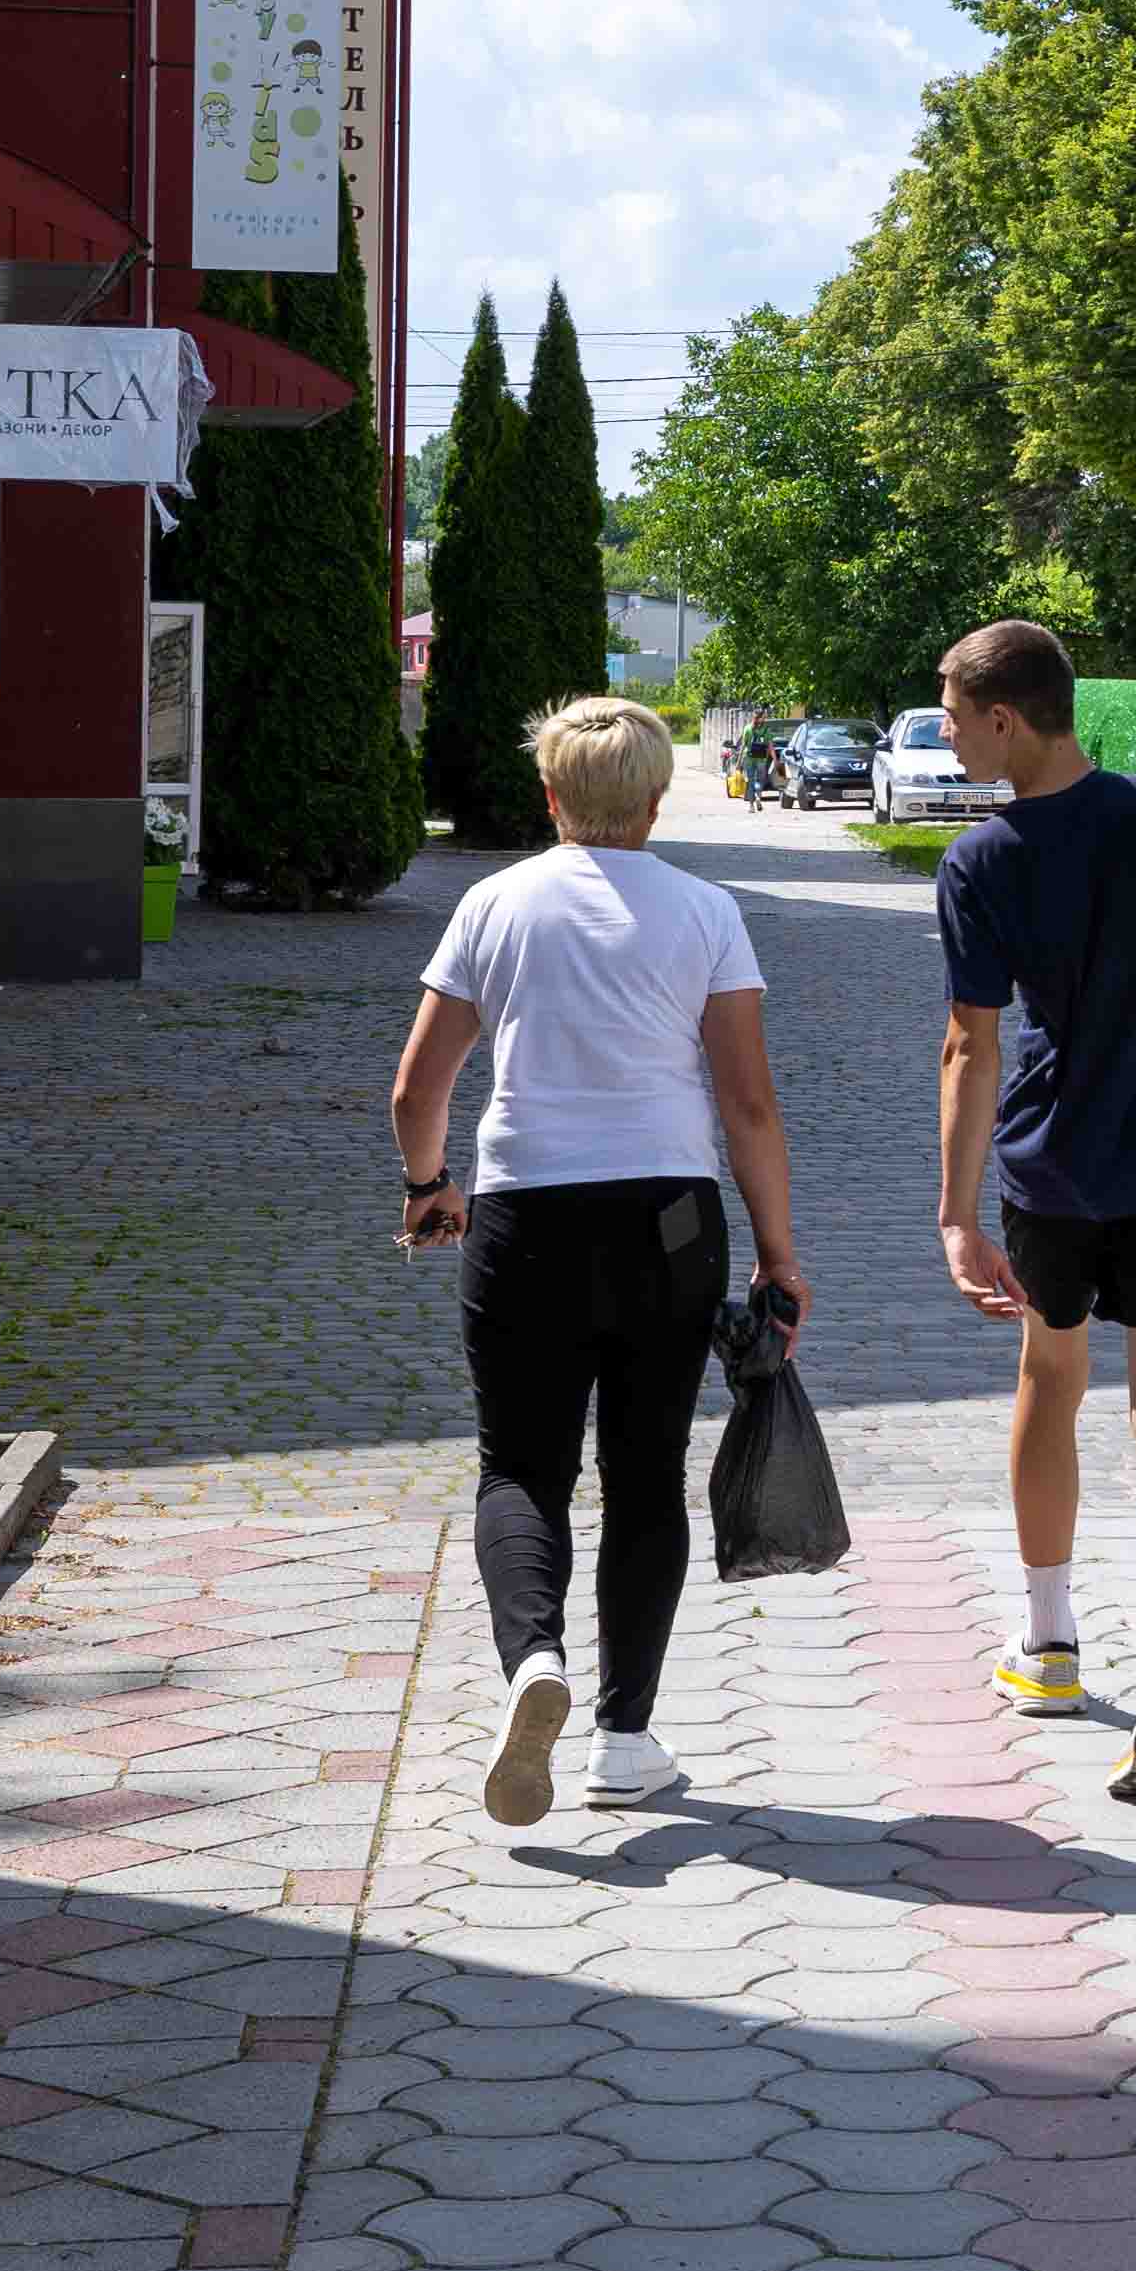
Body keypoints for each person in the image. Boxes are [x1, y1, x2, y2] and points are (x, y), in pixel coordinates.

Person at [390, 695, 805, 1826]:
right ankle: (624, 1741)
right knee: (645, 1470)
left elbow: (418, 1087)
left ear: (551, 796)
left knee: (520, 1467)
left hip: (524, 1216)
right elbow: (749, 1104)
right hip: (669, 1220)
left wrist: (429, 1189)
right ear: (658, 800)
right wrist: (777, 1254)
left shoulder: (494, 904)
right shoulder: (707, 912)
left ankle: (534, 1662)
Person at [928, 618, 1136, 1802]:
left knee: (1051, 1380)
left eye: (953, 719)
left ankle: (1050, 1646)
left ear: (1005, 719)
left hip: (1054, 1169)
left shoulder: (982, 861)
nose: (949, 739)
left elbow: (971, 1045)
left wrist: (957, 1214)